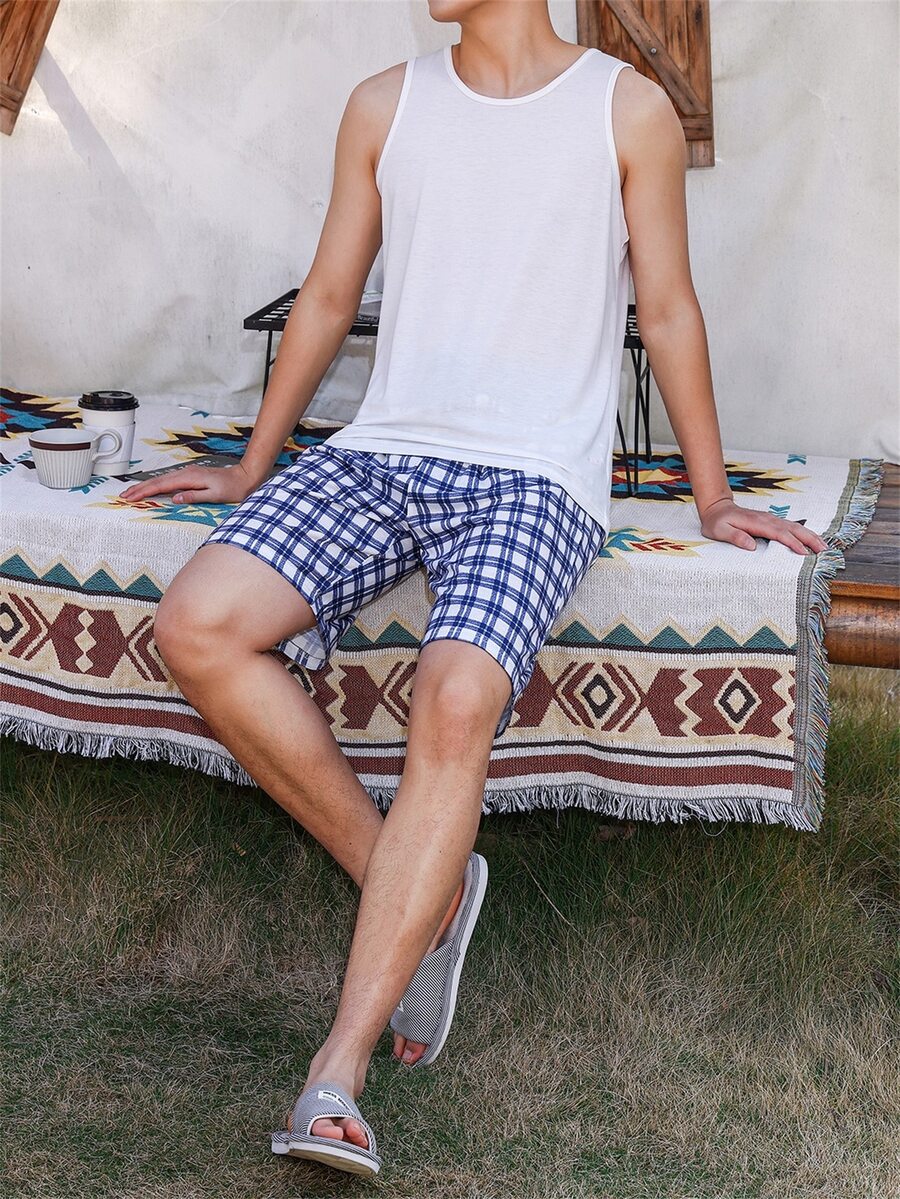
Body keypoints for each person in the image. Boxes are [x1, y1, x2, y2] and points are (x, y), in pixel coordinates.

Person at [119, 0, 828, 1178]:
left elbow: (667, 307)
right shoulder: (384, 105)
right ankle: (426, 891)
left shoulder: (627, 109)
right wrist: (251, 463)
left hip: (537, 477)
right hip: (385, 450)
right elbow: (329, 295)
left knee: (455, 692)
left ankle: (337, 1073)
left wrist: (712, 498)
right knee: (197, 622)